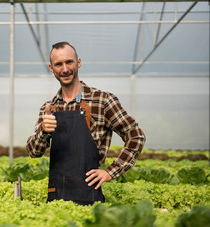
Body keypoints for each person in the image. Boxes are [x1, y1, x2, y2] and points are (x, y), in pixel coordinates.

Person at [26, 41, 146, 206]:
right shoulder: (49, 108)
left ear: (79, 62)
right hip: (56, 197)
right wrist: (43, 130)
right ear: (51, 68)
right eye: (58, 64)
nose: (65, 69)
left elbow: (136, 136)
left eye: (69, 62)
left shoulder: (102, 101)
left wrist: (110, 172)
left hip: (89, 194)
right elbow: (33, 152)